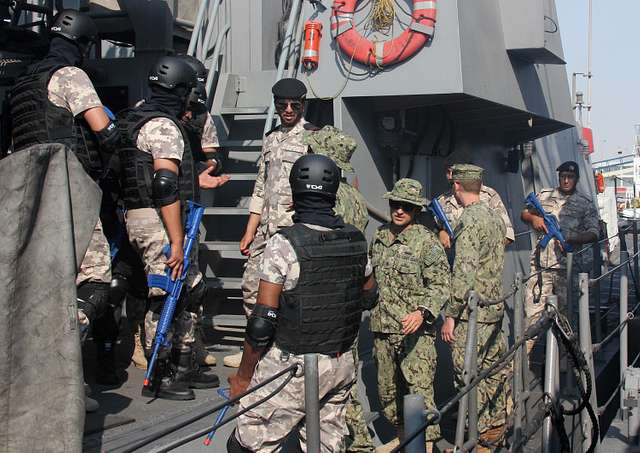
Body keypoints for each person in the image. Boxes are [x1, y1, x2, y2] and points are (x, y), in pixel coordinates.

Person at [226, 154, 377, 452]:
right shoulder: (357, 240)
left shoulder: (285, 244)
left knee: (245, 445)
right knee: (324, 445)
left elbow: (261, 323)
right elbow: (370, 296)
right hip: (341, 363)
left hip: (296, 365)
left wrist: (243, 377)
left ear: (295, 194)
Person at [8, 9, 122, 389]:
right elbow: (103, 131)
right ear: (84, 45)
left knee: (42, 285)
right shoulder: (70, 76)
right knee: (95, 283)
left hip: (27, 198)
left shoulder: (24, 84)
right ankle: (56, 375)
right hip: (70, 194)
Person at [118, 55, 226, 400]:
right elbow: (165, 184)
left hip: (148, 215)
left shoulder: (139, 115)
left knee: (190, 289)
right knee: (166, 294)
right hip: (159, 219)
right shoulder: (164, 126)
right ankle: (161, 374)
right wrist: (176, 241)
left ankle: (184, 364)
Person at [224, 77, 317, 368]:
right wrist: (249, 231)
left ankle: (288, 350)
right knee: (252, 286)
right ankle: (255, 349)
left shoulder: (314, 138)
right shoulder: (271, 138)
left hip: (294, 229)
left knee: (292, 291)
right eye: (282, 105)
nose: (288, 110)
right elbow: (261, 187)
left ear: (303, 105)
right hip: (266, 230)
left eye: (294, 105)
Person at [303, 125, 373, 452]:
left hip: (325, 299)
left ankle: (355, 443)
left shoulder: (329, 199)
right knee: (347, 372)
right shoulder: (357, 198)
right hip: (349, 297)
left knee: (331, 380)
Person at [370, 179, 450, 453]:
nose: (399, 210)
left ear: (415, 210)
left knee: (419, 392)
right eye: (395, 204)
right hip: (383, 327)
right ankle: (403, 437)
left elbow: (441, 285)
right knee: (388, 391)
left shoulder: (426, 242)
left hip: (414, 333)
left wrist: (422, 312)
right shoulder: (379, 237)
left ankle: (425, 445)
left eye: (406, 206)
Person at [441, 164, 508, 452]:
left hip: (473, 314)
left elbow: (464, 275)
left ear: (457, 186)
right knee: (492, 369)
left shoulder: (468, 221)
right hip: (493, 308)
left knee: (467, 372)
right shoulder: (493, 217)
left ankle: (478, 432)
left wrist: (451, 317)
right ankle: (495, 426)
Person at [520, 161, 599, 350]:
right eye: (563, 176)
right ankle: (524, 361)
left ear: (576, 179)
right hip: (540, 269)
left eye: (570, 177)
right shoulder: (544, 196)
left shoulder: (584, 203)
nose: (565, 180)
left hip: (567, 269)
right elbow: (524, 214)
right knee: (531, 316)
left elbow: (594, 233)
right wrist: (534, 218)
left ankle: (566, 361)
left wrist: (574, 238)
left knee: (566, 318)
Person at [436, 161, 514, 250]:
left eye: (453, 172)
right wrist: (440, 233)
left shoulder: (489, 195)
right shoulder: (442, 201)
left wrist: (480, 250)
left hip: (482, 261)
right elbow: (432, 230)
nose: (449, 176)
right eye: (448, 171)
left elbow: (507, 235)